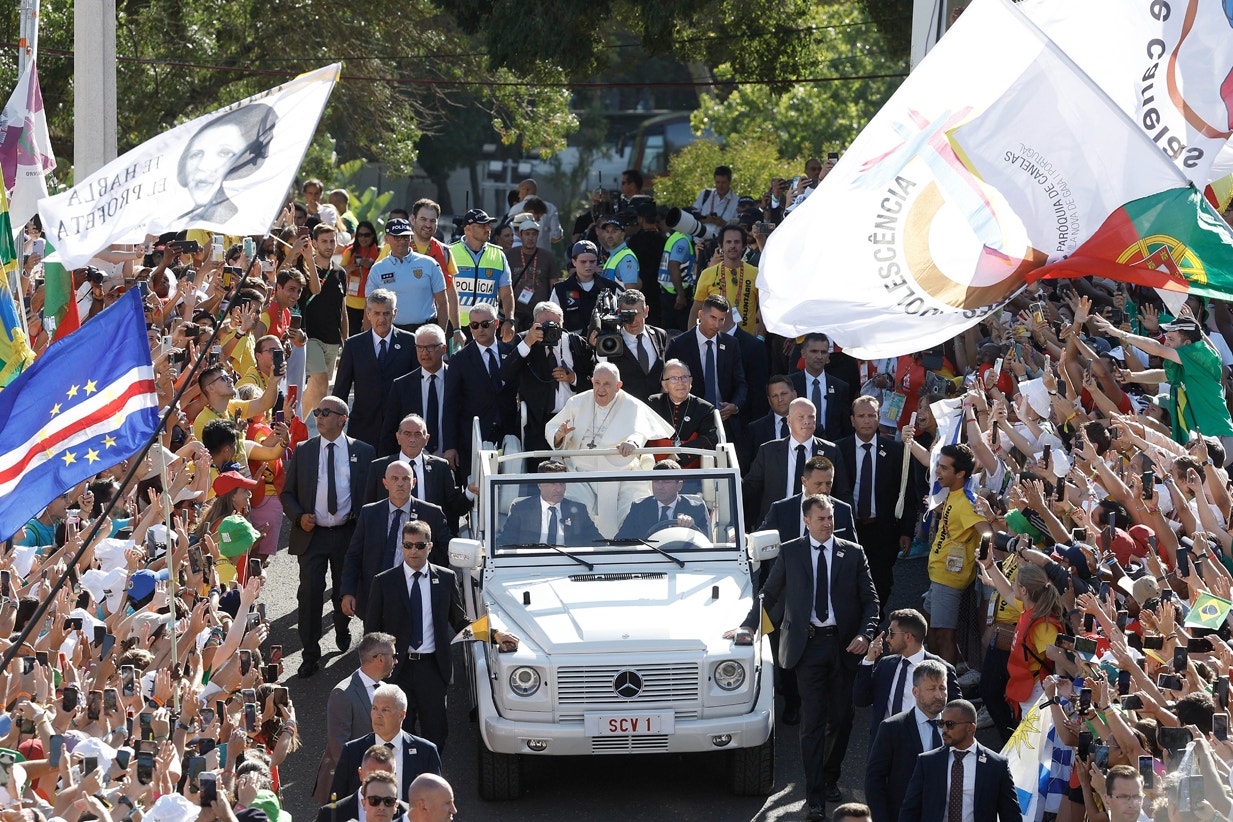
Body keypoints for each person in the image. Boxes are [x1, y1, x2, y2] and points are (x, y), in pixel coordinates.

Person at [732, 494, 879, 817]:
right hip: (807, 647)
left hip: (844, 647)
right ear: (807, 521)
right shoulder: (791, 552)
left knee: (841, 718)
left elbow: (871, 601)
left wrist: (864, 634)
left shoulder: (852, 553)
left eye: (830, 518)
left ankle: (829, 777)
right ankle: (814, 797)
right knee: (812, 723)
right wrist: (747, 627)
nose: (828, 523)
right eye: (822, 519)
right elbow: (769, 595)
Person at [364, 520, 510, 749]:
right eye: (408, 545)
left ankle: (431, 781)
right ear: (401, 546)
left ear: (430, 547)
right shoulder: (384, 582)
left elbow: (460, 621)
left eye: (420, 546)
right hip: (396, 670)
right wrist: (371, 674)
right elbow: (371, 632)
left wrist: (494, 635)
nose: (414, 551)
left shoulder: (445, 578)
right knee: (397, 734)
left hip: (432, 668)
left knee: (436, 734)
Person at [281, 395, 375, 677]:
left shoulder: (364, 452)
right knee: (309, 595)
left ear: (342, 418)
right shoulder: (304, 450)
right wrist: (299, 517)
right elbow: (287, 494)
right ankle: (310, 654)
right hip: (313, 536)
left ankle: (342, 624)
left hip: (348, 534)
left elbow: (371, 495)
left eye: (325, 412)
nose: (319, 416)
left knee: (344, 591)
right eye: (318, 412)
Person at [546, 362, 674, 533]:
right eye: (597, 383)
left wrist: (632, 443)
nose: (601, 389)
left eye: (607, 384)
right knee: (576, 509)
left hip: (620, 472)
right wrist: (559, 436)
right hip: (580, 472)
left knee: (632, 507)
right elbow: (555, 429)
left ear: (618, 386)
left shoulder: (632, 405)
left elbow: (640, 431)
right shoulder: (576, 402)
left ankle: (626, 550)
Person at [1094, 311, 1233, 443]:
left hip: (1218, 435)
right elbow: (1162, 375)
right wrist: (1132, 377)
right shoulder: (1185, 364)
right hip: (1201, 439)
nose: (1166, 343)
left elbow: (1158, 349)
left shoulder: (1201, 354)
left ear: (1188, 344)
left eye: (1171, 339)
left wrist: (1120, 333)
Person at [910, 440, 989, 666]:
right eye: (939, 465)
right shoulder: (953, 494)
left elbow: (986, 531)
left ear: (961, 473)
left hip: (950, 579)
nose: (938, 471)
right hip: (939, 576)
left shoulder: (966, 504)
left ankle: (946, 687)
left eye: (944, 468)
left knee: (944, 636)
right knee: (930, 631)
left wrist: (984, 557)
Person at [343, 460, 452, 619]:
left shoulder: (432, 513)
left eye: (405, 479)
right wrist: (348, 591)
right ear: (385, 483)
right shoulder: (369, 513)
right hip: (375, 597)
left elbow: (446, 549)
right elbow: (353, 555)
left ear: (414, 482)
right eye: (394, 479)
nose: (400, 483)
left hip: (416, 595)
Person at [838, 396, 915, 609]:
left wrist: (906, 532)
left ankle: (873, 628)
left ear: (879, 418)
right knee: (848, 583)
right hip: (848, 530)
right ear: (852, 420)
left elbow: (907, 493)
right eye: (861, 416)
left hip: (882, 532)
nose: (867, 420)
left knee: (880, 584)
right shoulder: (838, 450)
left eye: (871, 415)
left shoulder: (894, 451)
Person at [898, 698, 1020, 822]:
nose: (944, 730)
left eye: (950, 724)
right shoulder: (927, 762)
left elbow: (1011, 815)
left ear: (970, 728)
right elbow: (909, 811)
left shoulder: (996, 765)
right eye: (941, 723)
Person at [313, 632, 397, 804]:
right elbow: (339, 749)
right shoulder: (343, 693)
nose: (396, 661)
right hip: (350, 785)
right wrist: (366, 783)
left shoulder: (386, 689)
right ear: (379, 659)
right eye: (393, 656)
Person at [501, 301, 596, 453]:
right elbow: (505, 373)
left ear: (562, 323)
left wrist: (573, 378)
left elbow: (595, 383)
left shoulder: (575, 343)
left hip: (573, 421)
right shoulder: (524, 340)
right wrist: (528, 342)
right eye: (545, 324)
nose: (551, 328)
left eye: (556, 324)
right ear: (534, 323)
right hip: (537, 424)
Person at [863, 659, 950, 822]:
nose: (939, 695)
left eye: (942, 688)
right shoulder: (893, 728)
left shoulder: (957, 725)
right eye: (931, 689)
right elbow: (875, 780)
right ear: (915, 692)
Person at [744, 397, 851, 526]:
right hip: (778, 523)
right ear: (789, 420)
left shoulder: (831, 451)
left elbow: (843, 492)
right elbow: (749, 487)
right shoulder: (768, 451)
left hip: (817, 526)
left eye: (811, 417)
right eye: (801, 417)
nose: (807, 421)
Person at [978, 559, 1064, 719]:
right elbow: (1007, 592)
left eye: (1015, 583)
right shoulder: (1028, 608)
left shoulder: (1042, 624)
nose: (1012, 585)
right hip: (1027, 688)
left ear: (1024, 590)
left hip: (1037, 690)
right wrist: (990, 565)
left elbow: (1058, 658)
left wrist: (1063, 686)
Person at [853, 608, 959, 737]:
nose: (887, 638)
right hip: (886, 743)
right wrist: (869, 660)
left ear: (908, 636)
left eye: (891, 633)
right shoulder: (886, 665)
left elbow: (957, 714)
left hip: (923, 745)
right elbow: (860, 699)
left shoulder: (943, 669)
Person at [333, 290, 417, 449]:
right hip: (362, 428)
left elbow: (417, 387)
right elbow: (340, 390)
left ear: (395, 313)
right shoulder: (353, 346)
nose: (382, 319)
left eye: (386, 313)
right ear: (368, 313)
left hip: (400, 431)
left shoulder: (410, 343)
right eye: (377, 313)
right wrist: (334, 425)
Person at [441, 302, 518, 476]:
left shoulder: (511, 352)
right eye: (474, 326)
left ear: (496, 324)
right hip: (473, 440)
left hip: (509, 436)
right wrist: (450, 446)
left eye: (485, 324)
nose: (480, 329)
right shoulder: (459, 359)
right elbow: (451, 405)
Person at [329, 684, 441, 802]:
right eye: (374, 708)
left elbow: (436, 801)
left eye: (385, 710)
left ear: (401, 715)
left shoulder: (426, 752)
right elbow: (335, 803)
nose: (378, 715)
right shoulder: (352, 751)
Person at [366, 415, 471, 533]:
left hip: (430, 543)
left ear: (426, 439)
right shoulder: (379, 467)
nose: (412, 439)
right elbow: (368, 510)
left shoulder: (441, 468)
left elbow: (455, 507)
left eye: (417, 434)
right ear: (398, 437)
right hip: (389, 540)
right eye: (407, 434)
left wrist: (470, 493)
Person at [176, 103, 276, 223]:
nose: (202, 166)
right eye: (196, 154)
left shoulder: (244, 221)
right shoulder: (173, 225)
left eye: (224, 153)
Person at [664, 294, 747, 438]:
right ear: (701, 314)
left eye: (721, 320)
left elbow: (740, 383)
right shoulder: (680, 344)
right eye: (713, 318)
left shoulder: (731, 344)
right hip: (689, 420)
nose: (717, 325)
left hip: (725, 420)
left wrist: (735, 406)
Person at [365, 218, 449, 332]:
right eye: (397, 237)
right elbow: (369, 307)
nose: (402, 241)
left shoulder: (430, 264)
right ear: (387, 239)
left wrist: (441, 334)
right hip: (391, 332)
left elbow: (443, 303)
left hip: (426, 330)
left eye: (405, 237)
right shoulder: (378, 269)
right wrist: (368, 340)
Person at [381, 324, 450, 458]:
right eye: (420, 348)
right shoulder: (401, 385)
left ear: (444, 349)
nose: (424, 353)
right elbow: (389, 432)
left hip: (452, 461)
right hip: (411, 466)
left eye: (430, 347)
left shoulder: (458, 380)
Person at [499, 460, 604, 546]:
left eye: (562, 483)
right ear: (540, 484)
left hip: (569, 566)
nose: (559, 489)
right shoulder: (521, 509)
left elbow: (598, 543)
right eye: (553, 483)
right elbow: (505, 544)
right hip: (532, 567)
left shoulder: (578, 510)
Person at [760, 456, 857, 545]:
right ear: (804, 481)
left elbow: (853, 552)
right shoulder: (781, 509)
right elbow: (760, 539)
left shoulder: (844, 510)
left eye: (828, 483)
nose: (824, 489)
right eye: (818, 484)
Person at [644, 358, 718, 469]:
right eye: (674, 379)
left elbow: (709, 439)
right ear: (664, 385)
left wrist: (678, 455)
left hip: (689, 469)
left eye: (684, 378)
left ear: (691, 381)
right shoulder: (653, 403)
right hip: (655, 468)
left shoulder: (704, 408)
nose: (680, 382)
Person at [448, 208, 514, 330]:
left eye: (488, 225)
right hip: (455, 326)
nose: (488, 228)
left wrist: (509, 320)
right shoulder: (450, 252)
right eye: (482, 226)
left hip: (486, 326)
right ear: (467, 229)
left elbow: (507, 293)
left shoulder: (498, 255)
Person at [409, 199, 462, 348]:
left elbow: (451, 294)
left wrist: (457, 329)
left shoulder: (445, 252)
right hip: (400, 325)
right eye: (423, 219)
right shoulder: (395, 247)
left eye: (432, 221)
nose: (428, 225)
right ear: (413, 219)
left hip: (430, 326)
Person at [690, 224, 759, 336]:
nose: (732, 246)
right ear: (721, 246)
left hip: (746, 340)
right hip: (714, 340)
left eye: (736, 242)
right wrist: (692, 338)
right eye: (728, 242)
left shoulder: (756, 273)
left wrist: (760, 336)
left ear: (743, 246)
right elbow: (696, 308)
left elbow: (764, 308)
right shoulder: (707, 274)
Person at [614, 459, 709, 540]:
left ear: (679, 485)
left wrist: (691, 528)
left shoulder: (695, 508)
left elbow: (705, 544)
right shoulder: (639, 507)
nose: (659, 486)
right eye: (656, 481)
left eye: (666, 482)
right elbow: (621, 541)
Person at [606, 289, 668, 403]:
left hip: (657, 409)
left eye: (637, 313)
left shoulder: (659, 335)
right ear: (619, 313)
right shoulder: (610, 342)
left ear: (646, 311)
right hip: (625, 409)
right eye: (627, 314)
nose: (633, 320)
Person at [550, 240, 624, 335]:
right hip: (571, 345)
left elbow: (623, 317)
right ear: (574, 262)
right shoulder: (560, 289)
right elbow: (551, 319)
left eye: (592, 261)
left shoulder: (610, 287)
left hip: (605, 345)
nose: (588, 265)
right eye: (583, 262)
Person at [791, 333, 852, 441]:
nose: (819, 356)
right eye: (814, 351)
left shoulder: (840, 387)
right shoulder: (791, 384)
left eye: (823, 352)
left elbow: (845, 426)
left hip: (830, 448)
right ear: (803, 353)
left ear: (828, 356)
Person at [316, 746, 401, 822]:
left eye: (385, 777)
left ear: (394, 777)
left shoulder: (406, 815)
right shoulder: (330, 815)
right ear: (360, 773)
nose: (377, 782)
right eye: (372, 776)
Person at [506, 219, 561, 331]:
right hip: (515, 313)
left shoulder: (547, 257)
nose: (530, 238)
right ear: (520, 235)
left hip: (541, 313)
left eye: (534, 234)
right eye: (527, 234)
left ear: (538, 236)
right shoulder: (509, 255)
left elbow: (555, 286)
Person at [341, 222, 382, 347]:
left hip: (371, 301)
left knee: (369, 334)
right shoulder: (351, 251)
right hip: (352, 301)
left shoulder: (379, 251)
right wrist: (350, 268)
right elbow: (340, 270)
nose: (363, 238)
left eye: (367, 235)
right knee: (353, 334)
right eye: (360, 235)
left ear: (373, 236)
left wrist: (371, 266)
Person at [657, 212, 697, 330]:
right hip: (675, 293)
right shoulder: (682, 241)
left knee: (668, 331)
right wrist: (680, 294)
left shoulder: (674, 237)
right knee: (679, 332)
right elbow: (673, 266)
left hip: (667, 291)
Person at [691, 165, 739, 238]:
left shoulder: (737, 201)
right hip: (700, 242)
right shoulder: (705, 194)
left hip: (720, 243)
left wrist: (723, 223)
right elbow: (692, 215)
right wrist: (703, 219)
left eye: (723, 182)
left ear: (729, 181)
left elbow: (739, 227)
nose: (720, 185)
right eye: (718, 182)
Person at [598, 216, 640, 290]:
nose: (610, 235)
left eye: (614, 231)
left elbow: (630, 292)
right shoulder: (613, 255)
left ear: (622, 234)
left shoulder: (626, 257)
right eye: (607, 231)